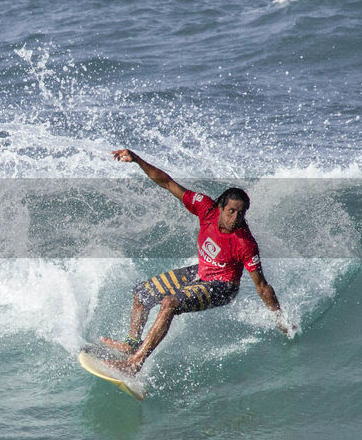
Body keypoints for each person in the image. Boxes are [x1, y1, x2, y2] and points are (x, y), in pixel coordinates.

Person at [103, 149, 291, 373]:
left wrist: (280, 318)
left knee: (169, 303)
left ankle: (134, 364)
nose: (235, 218)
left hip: (223, 286)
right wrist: (137, 160)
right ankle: (130, 345)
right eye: (231, 211)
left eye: (241, 213)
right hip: (201, 272)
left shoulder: (245, 243)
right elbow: (167, 183)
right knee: (141, 293)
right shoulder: (206, 208)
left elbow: (262, 286)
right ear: (220, 207)